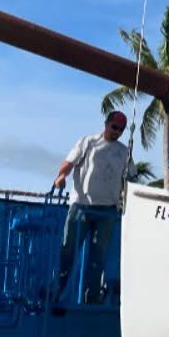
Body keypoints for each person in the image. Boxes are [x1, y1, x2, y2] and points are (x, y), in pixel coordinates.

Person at [53, 110, 134, 303]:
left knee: (98, 256)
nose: (117, 132)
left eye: (121, 130)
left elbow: (130, 177)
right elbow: (69, 162)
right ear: (106, 124)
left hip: (107, 210)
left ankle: (91, 297)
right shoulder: (88, 142)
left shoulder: (123, 152)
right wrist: (62, 175)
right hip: (82, 206)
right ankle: (58, 293)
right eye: (114, 127)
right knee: (69, 250)